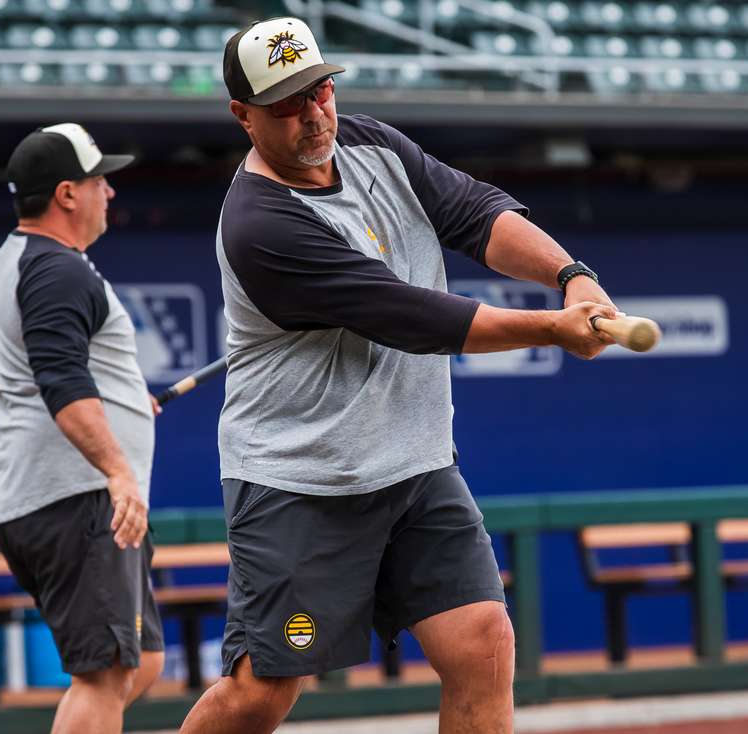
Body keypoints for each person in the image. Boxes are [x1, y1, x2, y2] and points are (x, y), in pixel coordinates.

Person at [179, 17, 619, 734]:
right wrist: (552, 327)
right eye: (286, 104)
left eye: (318, 91)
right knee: (266, 688)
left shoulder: (373, 141)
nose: (312, 113)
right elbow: (414, 318)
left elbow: (475, 212)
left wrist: (571, 276)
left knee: (483, 644)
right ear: (243, 117)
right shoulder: (260, 224)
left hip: (416, 469)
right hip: (303, 485)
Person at [0, 123, 164, 734]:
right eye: (98, 180)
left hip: (57, 496)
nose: (108, 192)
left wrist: (124, 405)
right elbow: (62, 384)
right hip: (77, 497)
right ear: (66, 193)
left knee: (144, 662)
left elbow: (64, 374)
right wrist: (117, 470)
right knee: (106, 673)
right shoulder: (57, 269)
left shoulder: (21, 262)